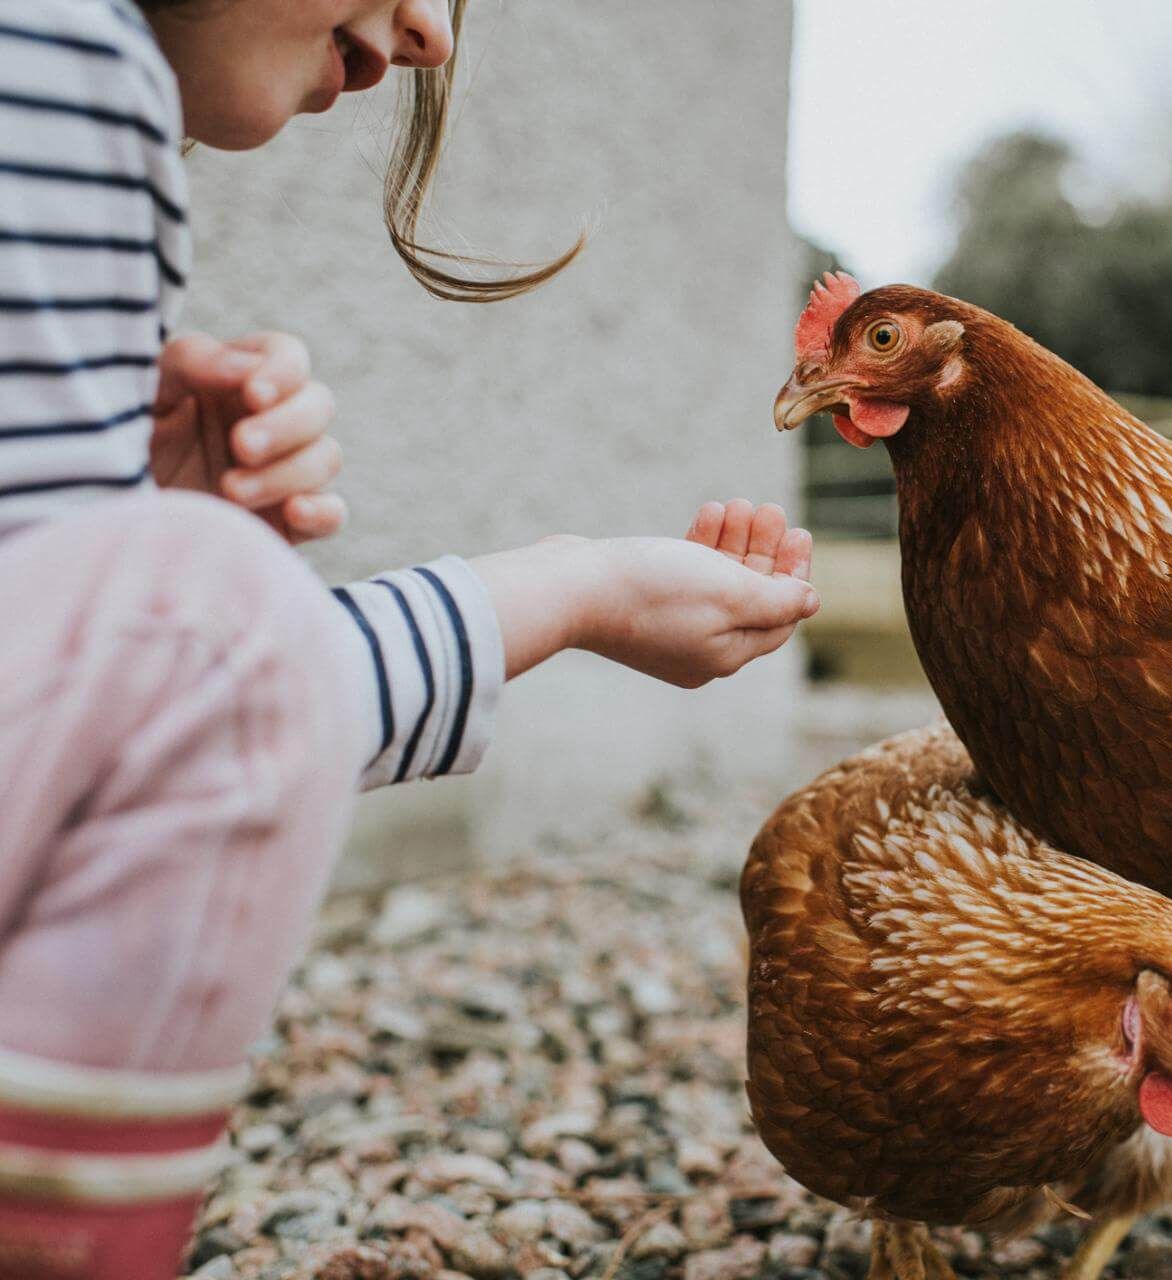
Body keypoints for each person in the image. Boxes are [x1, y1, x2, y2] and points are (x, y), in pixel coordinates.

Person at [0, 1, 819, 1274]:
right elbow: (206, 685)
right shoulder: (62, 63)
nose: (433, 33)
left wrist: (134, 556)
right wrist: (572, 589)